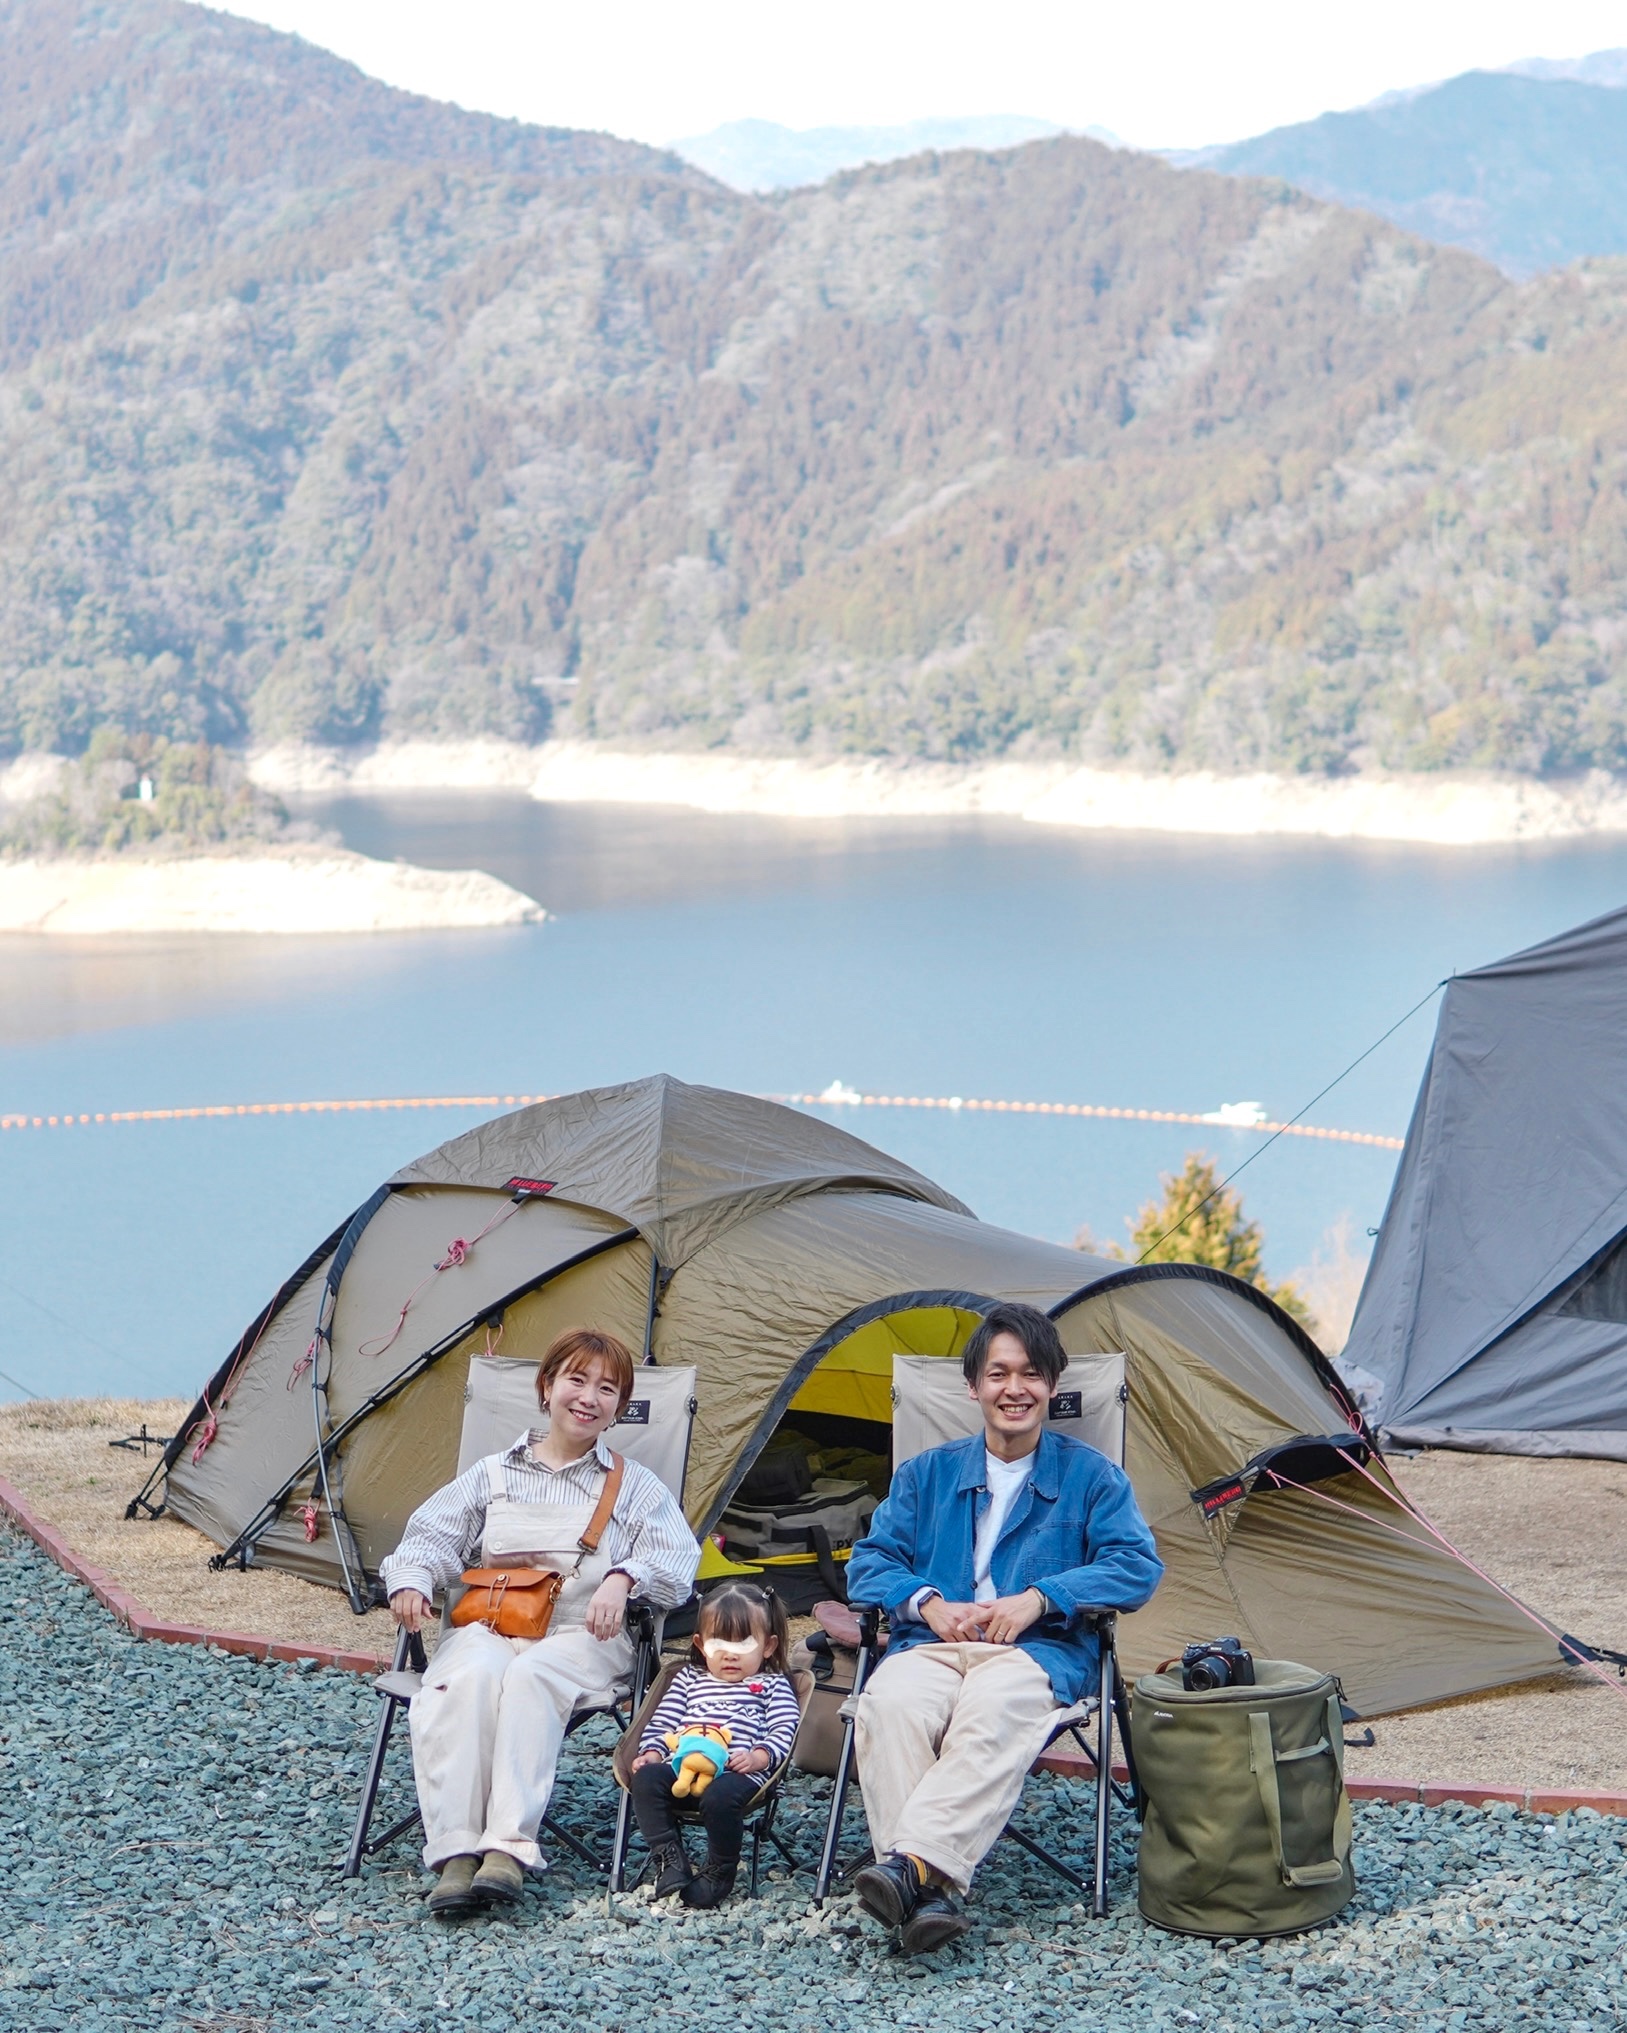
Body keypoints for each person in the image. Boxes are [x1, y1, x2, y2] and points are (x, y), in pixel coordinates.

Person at [844, 1301, 1164, 1955]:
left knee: (990, 1708)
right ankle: (926, 1889)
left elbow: (1136, 1566)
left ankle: (907, 1870)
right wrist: (927, 1600)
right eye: (997, 1373)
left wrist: (1042, 1596)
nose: (1013, 1388)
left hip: (1035, 1652)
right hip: (930, 1643)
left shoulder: (1092, 1478)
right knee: (890, 1702)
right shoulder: (924, 1474)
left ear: (1050, 1385)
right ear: (973, 1386)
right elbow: (869, 1564)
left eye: (1028, 1373)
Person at [381, 1327, 700, 1917]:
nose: (589, 1397)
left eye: (608, 1388)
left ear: (618, 1406)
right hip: (492, 1624)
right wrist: (411, 1580)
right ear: (547, 1386)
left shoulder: (633, 1485)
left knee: (532, 1678)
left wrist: (624, 1577)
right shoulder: (493, 1473)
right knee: (468, 1679)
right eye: (576, 1380)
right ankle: (455, 1851)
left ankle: (506, 1847)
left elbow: (679, 1563)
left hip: (586, 1636)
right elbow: (429, 1538)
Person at [627, 1581, 801, 1908]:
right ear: (700, 1644)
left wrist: (760, 1756)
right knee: (646, 1779)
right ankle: (669, 1857)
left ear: (768, 1646)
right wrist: (652, 1751)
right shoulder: (688, 1679)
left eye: (743, 1643)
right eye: (718, 1642)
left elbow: (784, 1728)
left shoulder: (771, 1685)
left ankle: (720, 1867)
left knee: (720, 1797)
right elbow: (663, 1720)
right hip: (681, 1763)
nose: (730, 1653)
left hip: (738, 1771)